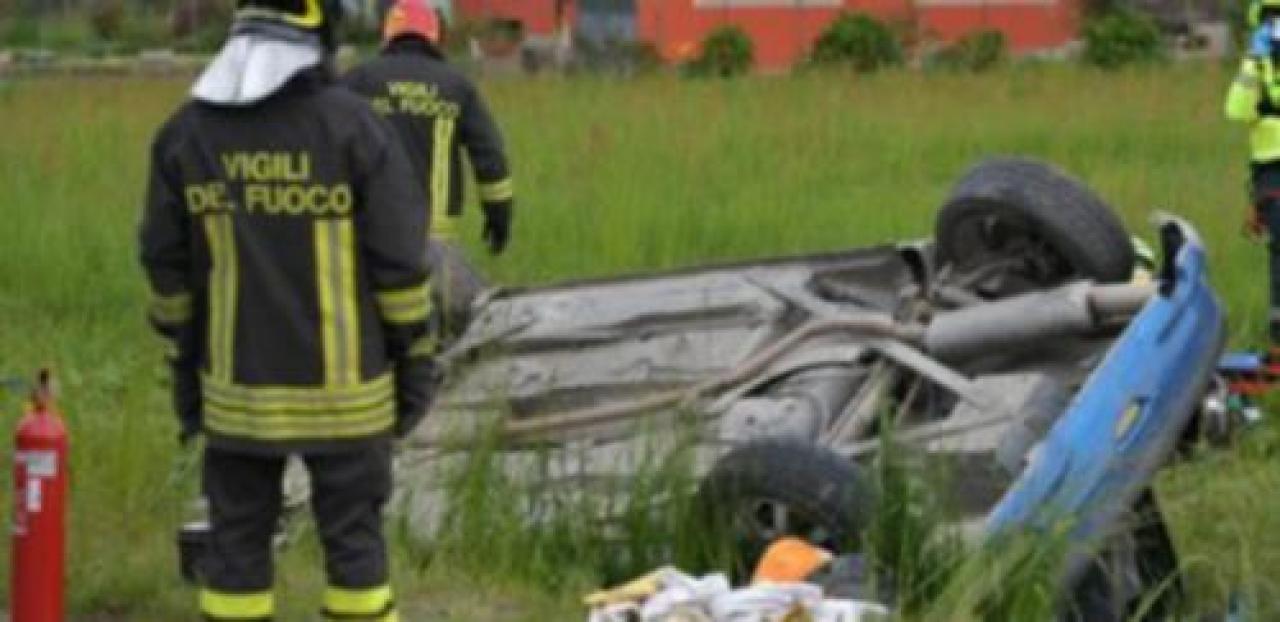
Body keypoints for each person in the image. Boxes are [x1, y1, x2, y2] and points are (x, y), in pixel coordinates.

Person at [138, 0, 437, 618]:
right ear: (319, 38)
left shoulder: (185, 134)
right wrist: (416, 362)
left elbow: (167, 274)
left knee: (235, 552)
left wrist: (185, 362)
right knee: (355, 551)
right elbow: (401, 267)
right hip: (348, 400)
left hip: (237, 400)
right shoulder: (356, 129)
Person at [343, 1, 514, 331]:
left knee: (374, 336)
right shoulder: (456, 86)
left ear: (388, 36)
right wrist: (499, 217)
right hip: (433, 245)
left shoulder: (359, 80)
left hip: (368, 239)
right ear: (435, 38)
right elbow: (489, 157)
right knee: (445, 337)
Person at [1227, 1, 1280, 346]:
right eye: (1273, 19)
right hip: (1272, 173)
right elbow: (1237, 111)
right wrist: (1253, 60)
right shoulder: (1258, 68)